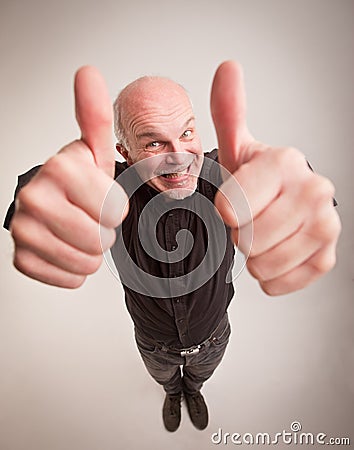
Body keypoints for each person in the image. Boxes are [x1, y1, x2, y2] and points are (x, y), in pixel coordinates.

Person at [3, 61, 341, 432]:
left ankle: (193, 390)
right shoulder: (110, 190)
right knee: (164, 377)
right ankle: (172, 392)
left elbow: (286, 178)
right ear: (125, 152)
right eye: (153, 142)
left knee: (202, 375)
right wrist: (34, 197)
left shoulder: (228, 179)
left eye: (187, 132)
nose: (179, 155)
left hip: (214, 334)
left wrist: (300, 189)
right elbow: (47, 185)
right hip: (152, 342)